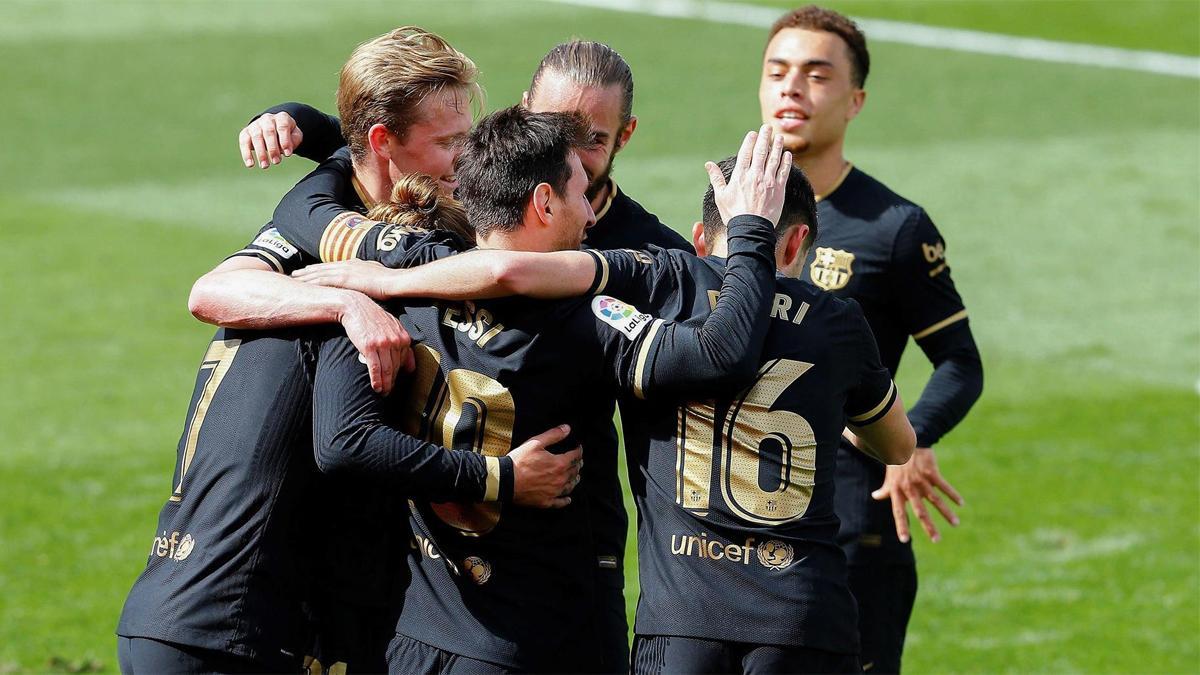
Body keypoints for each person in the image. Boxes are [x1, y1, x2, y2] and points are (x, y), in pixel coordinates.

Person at [298, 156, 915, 674]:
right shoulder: (840, 323)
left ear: (701, 238)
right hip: (807, 615)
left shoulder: (662, 282)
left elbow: (509, 269)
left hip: (682, 625)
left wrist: (383, 278)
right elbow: (896, 446)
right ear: (801, 241)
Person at [236, 41, 695, 670]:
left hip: (565, 566)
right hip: (445, 592)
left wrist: (387, 276)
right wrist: (304, 124)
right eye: (553, 127)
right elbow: (366, 157)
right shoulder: (468, 211)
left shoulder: (633, 245)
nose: (567, 151)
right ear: (518, 113)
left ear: (624, 136)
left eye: (591, 138)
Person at [114, 175, 583, 675]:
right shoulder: (359, 324)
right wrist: (501, 477)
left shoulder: (270, 301)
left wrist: (305, 126)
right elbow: (346, 443)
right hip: (230, 631)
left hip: (166, 605)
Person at [758, 7, 985, 672]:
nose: (793, 88)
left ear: (855, 100)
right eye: (777, 73)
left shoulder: (893, 227)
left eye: (816, 75)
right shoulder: (733, 206)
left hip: (852, 528)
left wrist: (910, 439)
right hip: (738, 524)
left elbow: (959, 360)